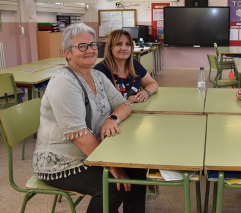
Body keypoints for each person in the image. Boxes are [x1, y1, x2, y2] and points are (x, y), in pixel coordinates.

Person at [33, 23, 146, 213]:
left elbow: (124, 105)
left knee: (137, 169)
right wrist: (111, 166)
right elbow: (79, 135)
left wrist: (112, 119)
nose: (90, 50)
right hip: (62, 162)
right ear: (67, 53)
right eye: (82, 46)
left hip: (93, 150)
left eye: (93, 45)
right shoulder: (64, 83)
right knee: (112, 186)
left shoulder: (96, 75)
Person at [94, 29, 158, 103]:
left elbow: (153, 84)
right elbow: (98, 103)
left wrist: (146, 92)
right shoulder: (100, 71)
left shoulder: (134, 64)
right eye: (119, 44)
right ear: (110, 48)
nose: (124, 48)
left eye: (127, 44)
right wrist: (126, 101)